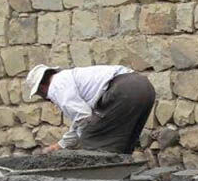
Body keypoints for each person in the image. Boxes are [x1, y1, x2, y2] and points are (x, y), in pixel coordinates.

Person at [24, 64, 156, 154]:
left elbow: (83, 118)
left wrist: (85, 139)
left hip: (123, 91)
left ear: (41, 88)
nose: (45, 98)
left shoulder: (56, 87)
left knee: (91, 140)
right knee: (124, 142)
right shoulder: (68, 78)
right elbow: (79, 120)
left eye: (40, 95)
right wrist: (60, 145)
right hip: (144, 86)